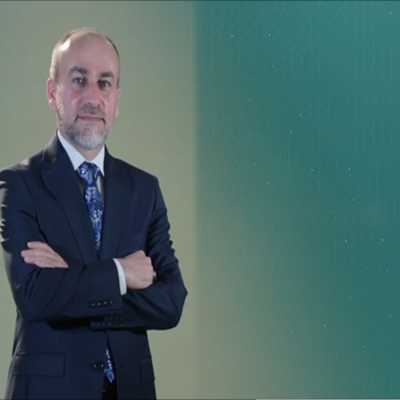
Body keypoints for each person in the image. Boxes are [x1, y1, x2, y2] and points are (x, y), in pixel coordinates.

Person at [0, 27, 187, 400]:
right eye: (79, 80)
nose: (92, 97)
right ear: (52, 92)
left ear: (116, 99)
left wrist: (72, 280)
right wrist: (121, 274)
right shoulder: (19, 184)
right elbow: (35, 295)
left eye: (104, 83)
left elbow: (171, 302)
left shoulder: (144, 189)